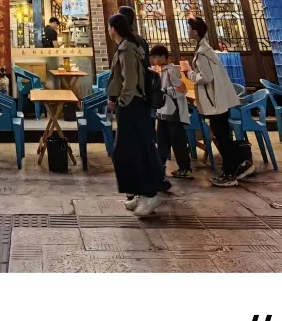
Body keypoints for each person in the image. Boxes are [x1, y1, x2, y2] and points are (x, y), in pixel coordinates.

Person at [106, 12, 165, 217]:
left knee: (133, 150)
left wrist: (122, 102)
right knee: (132, 149)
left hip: (133, 106)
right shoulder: (128, 46)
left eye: (109, 27)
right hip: (134, 105)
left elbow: (130, 83)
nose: (108, 30)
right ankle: (140, 192)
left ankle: (150, 194)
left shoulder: (128, 49)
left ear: (114, 29)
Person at [187, 17, 253, 186]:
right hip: (218, 99)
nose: (187, 31)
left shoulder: (203, 53)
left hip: (214, 101)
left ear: (195, 32)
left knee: (221, 136)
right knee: (221, 134)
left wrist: (190, 74)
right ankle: (240, 163)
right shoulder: (205, 49)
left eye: (189, 28)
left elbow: (206, 77)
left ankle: (230, 173)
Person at [150, 45, 191, 179]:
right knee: (162, 140)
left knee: (177, 141)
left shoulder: (171, 71)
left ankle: (185, 168)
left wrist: (164, 91)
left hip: (173, 112)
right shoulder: (161, 71)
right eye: (153, 58)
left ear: (163, 56)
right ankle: (159, 165)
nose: (154, 61)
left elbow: (182, 89)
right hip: (163, 112)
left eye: (156, 57)